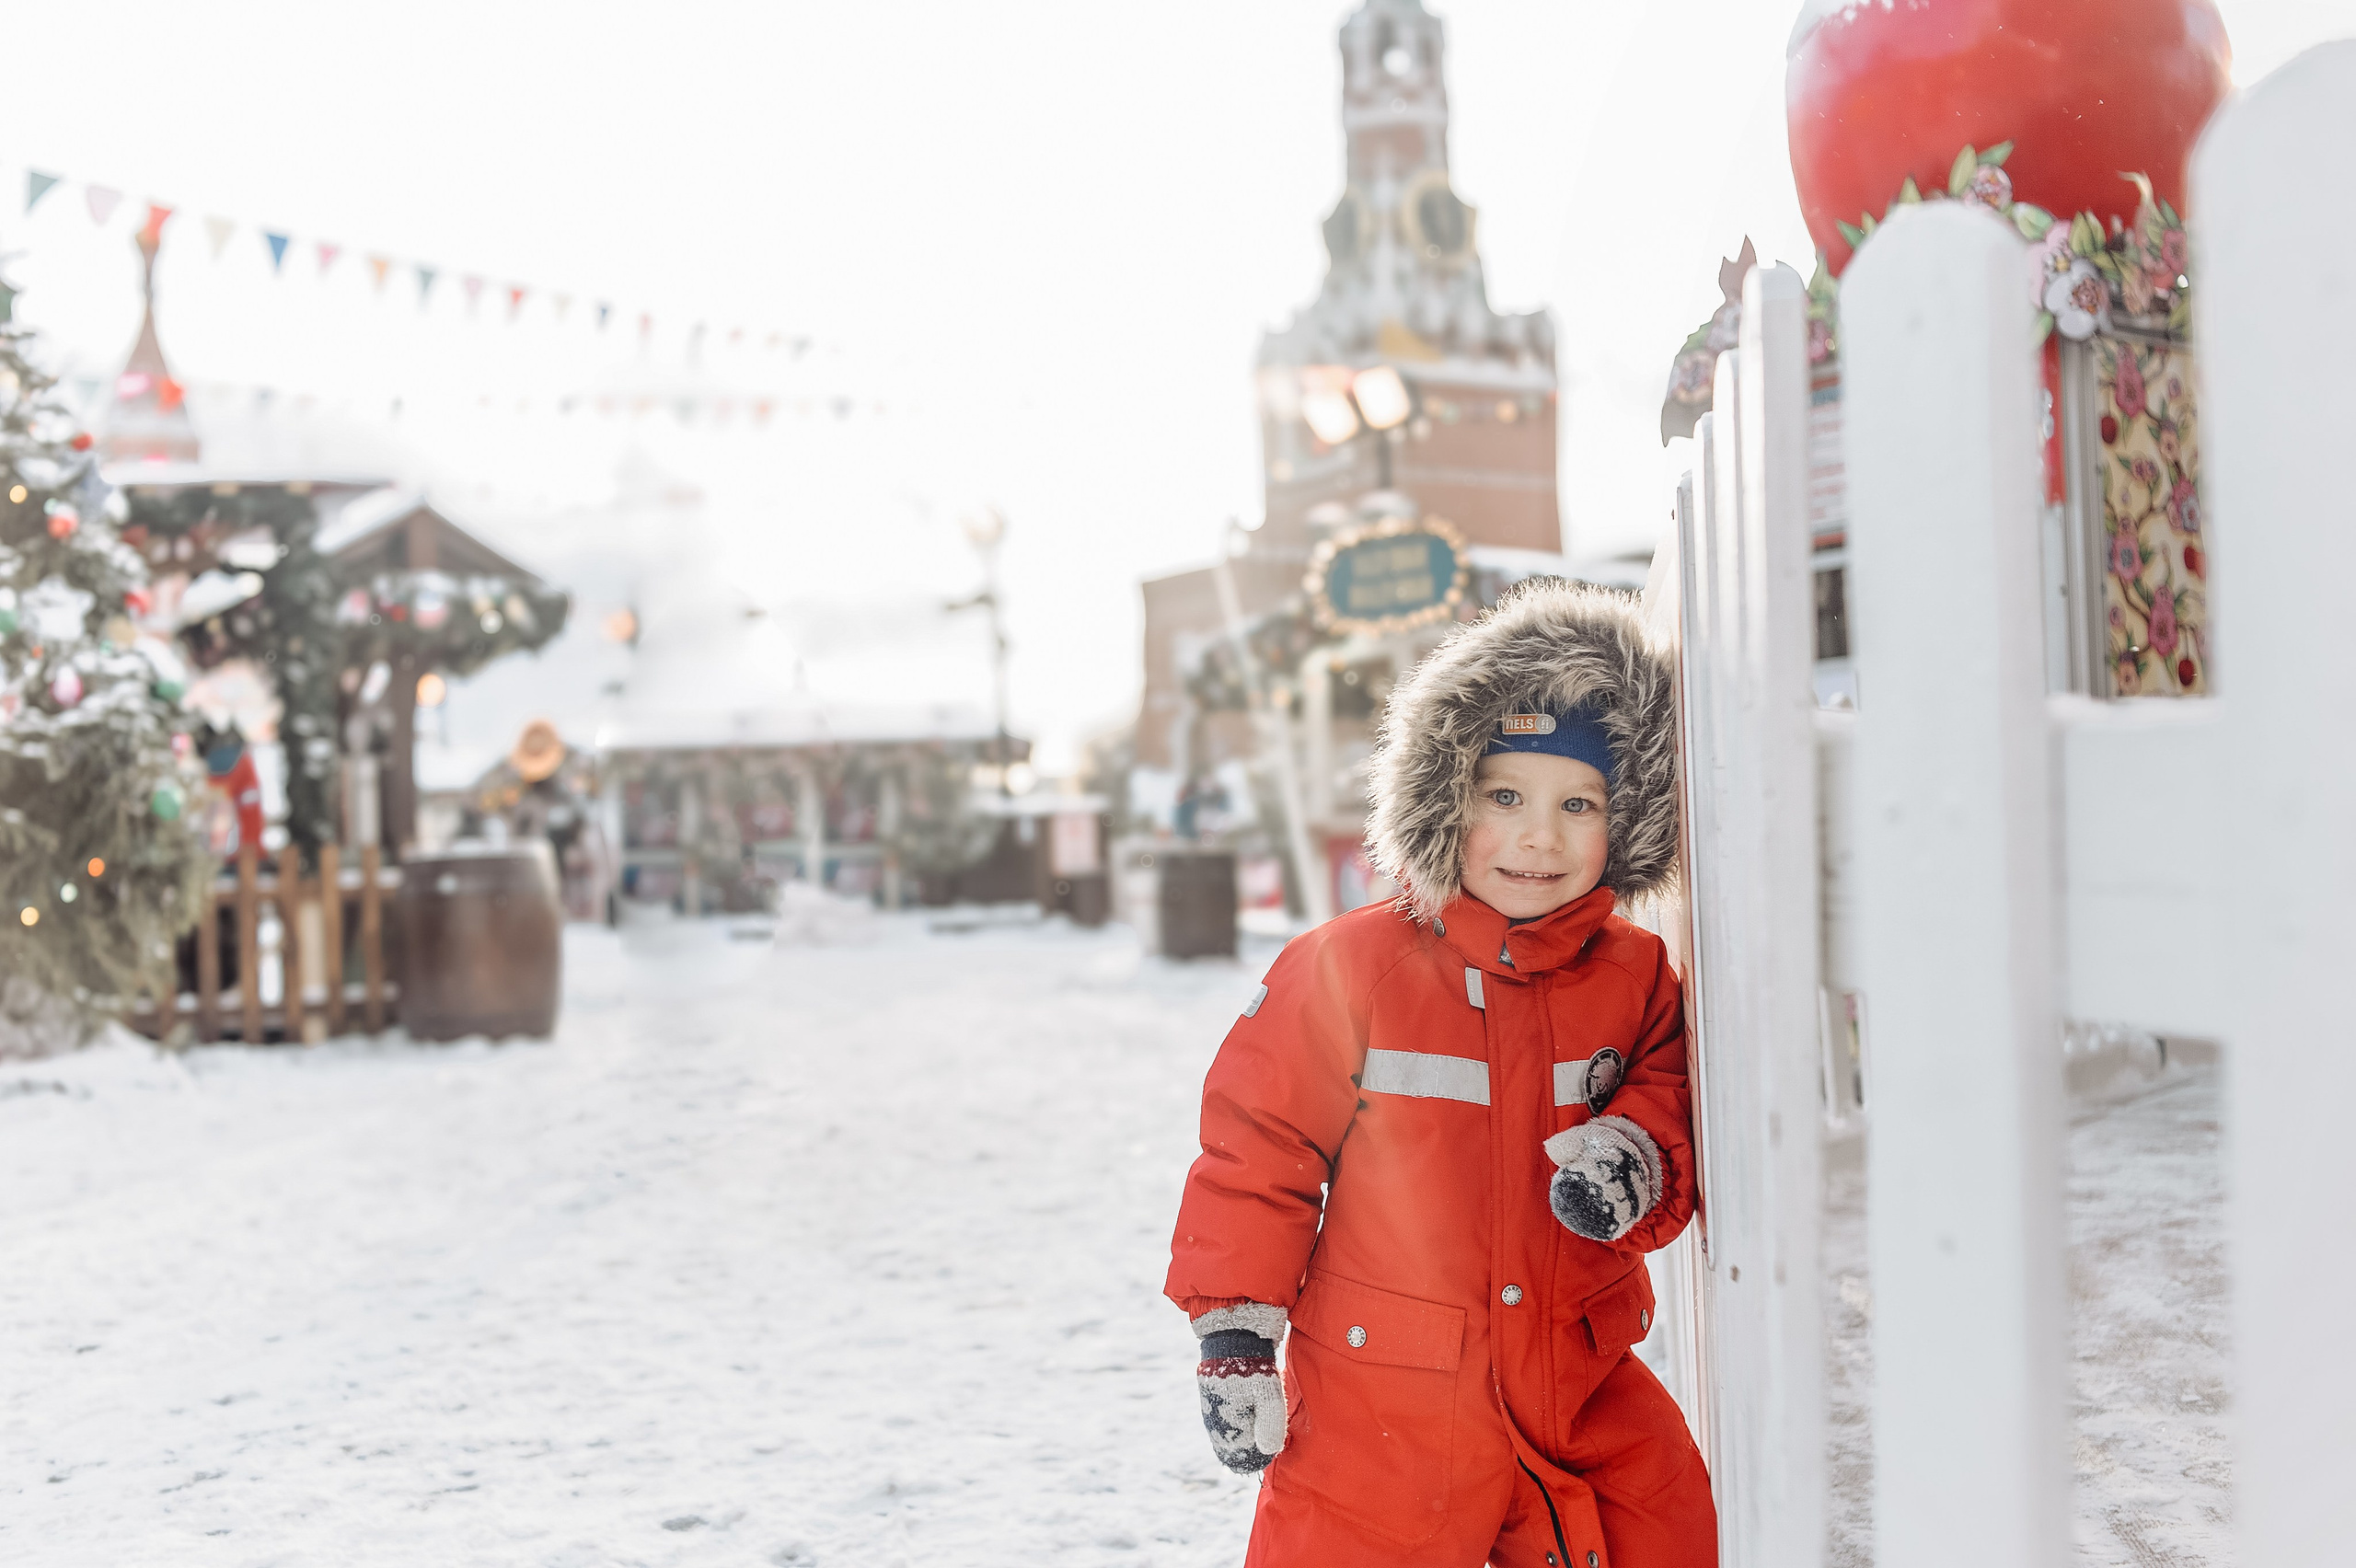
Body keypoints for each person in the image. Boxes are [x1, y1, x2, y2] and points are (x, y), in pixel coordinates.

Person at [1165, 579, 1715, 1567]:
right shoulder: (1351, 970)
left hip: (1574, 1391)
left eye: (1576, 803)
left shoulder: (1633, 978)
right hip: (1381, 1414)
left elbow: (1671, 1092)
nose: (1538, 836)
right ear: (1442, 799)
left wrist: (1633, 1151)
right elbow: (1258, 1146)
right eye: (1503, 796)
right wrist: (1235, 1334)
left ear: (1625, 821)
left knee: (1660, 1523)